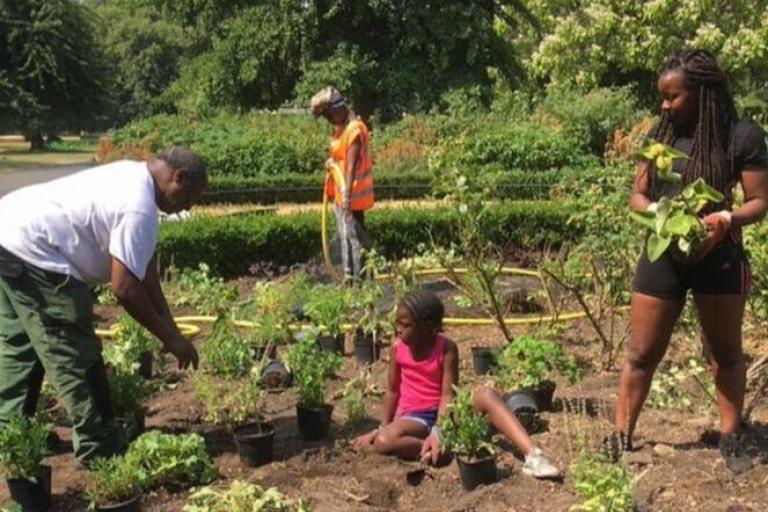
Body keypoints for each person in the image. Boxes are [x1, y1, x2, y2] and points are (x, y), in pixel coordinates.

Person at [611, 49, 768, 473]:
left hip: (719, 255)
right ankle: (621, 437)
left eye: (674, 96)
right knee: (641, 353)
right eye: (663, 96)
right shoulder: (659, 136)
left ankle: (731, 436)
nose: (665, 105)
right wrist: (662, 219)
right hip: (664, 253)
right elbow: (638, 198)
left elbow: (760, 201)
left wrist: (726, 217)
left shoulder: (741, 137)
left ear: (703, 93)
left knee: (725, 355)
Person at [0, 148, 207, 465]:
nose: (188, 207)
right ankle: (101, 450)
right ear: (179, 177)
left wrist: (173, 331)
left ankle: (14, 436)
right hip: (36, 251)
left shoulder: (133, 175)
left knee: (22, 348)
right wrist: (169, 338)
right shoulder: (138, 208)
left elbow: (147, 275)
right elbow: (124, 288)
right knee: (76, 355)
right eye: (190, 197)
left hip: (9, 230)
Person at [353, 289, 561, 479]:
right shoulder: (397, 349)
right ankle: (434, 449)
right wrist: (382, 427)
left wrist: (439, 430)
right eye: (396, 324)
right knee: (383, 441)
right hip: (415, 417)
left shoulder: (446, 348)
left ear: (428, 326)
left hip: (448, 411)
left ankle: (533, 455)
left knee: (487, 395)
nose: (398, 330)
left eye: (405, 325)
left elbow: (447, 395)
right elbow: (392, 390)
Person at [310, 86, 374, 280]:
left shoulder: (354, 129)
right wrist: (332, 163)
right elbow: (341, 158)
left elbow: (351, 166)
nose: (328, 120)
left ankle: (362, 282)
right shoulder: (342, 127)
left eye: (328, 115)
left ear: (337, 108)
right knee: (345, 237)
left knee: (355, 241)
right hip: (343, 194)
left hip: (352, 196)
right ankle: (349, 277)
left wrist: (346, 198)